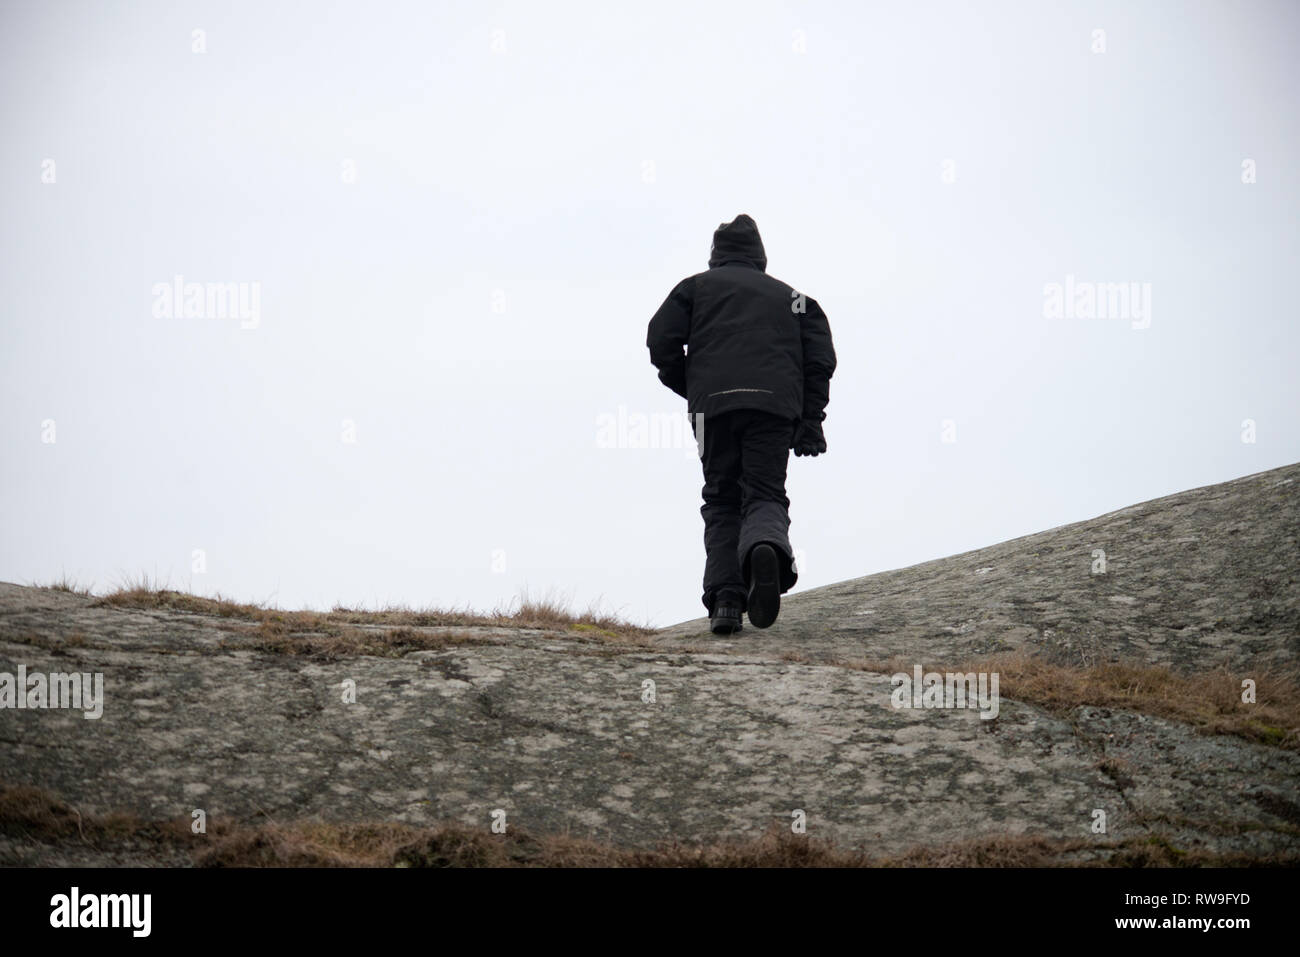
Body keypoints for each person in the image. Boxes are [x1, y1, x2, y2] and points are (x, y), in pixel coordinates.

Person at [646, 214, 837, 635]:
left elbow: (659, 340)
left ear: (716, 256)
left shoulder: (693, 288)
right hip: (773, 408)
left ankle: (727, 601)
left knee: (720, 498)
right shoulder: (793, 298)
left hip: (711, 412)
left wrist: (693, 385)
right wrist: (811, 421)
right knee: (764, 492)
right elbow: (820, 360)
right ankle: (765, 547)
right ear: (760, 257)